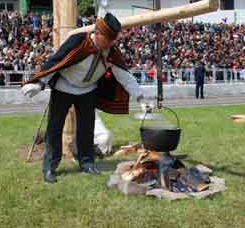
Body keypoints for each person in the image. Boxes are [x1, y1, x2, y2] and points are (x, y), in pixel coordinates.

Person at [21, 13, 150, 183]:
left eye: (113, 41)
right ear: (97, 33)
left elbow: (125, 76)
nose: (110, 45)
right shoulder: (77, 41)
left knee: (86, 130)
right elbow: (57, 61)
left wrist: (140, 98)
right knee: (54, 128)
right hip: (63, 88)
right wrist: (39, 83)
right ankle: (50, 167)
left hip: (88, 92)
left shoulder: (111, 52)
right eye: (107, 40)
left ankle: (87, 163)